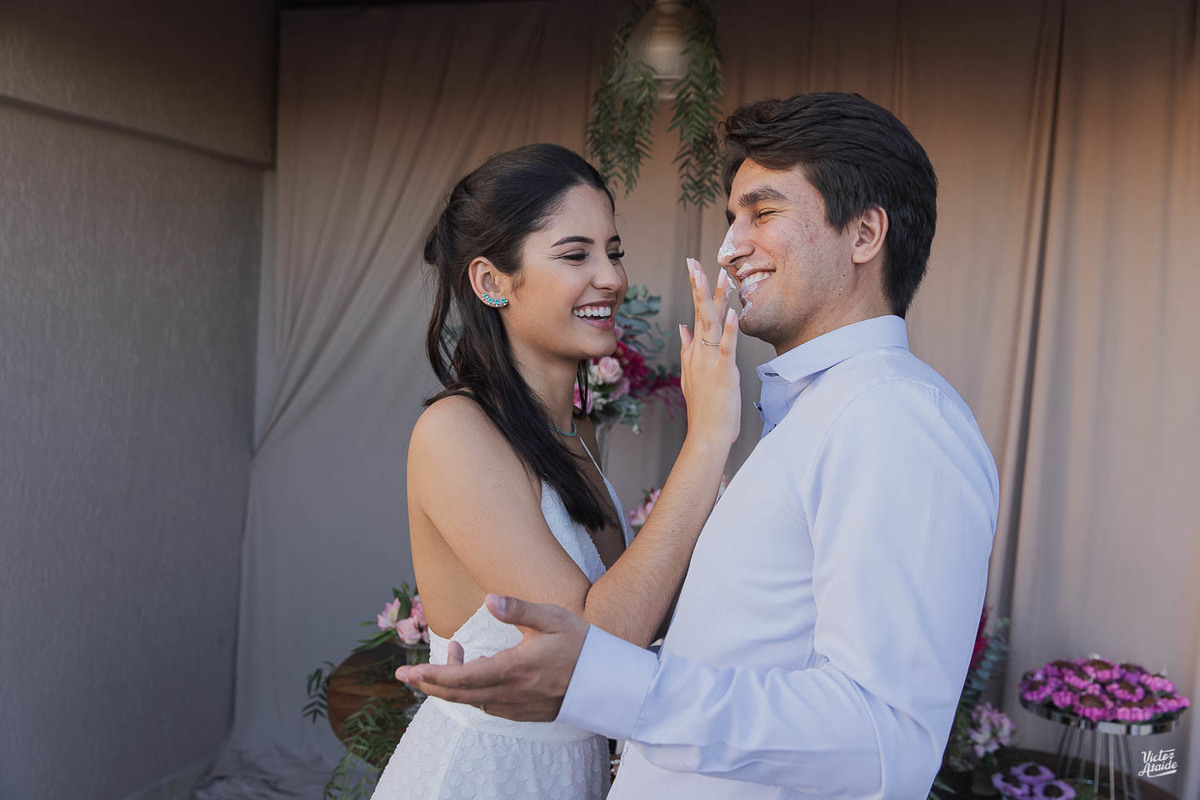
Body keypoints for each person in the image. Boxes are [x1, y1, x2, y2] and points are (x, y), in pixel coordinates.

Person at [394, 92, 1001, 799]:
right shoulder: (817, 416)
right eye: (575, 253)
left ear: (865, 234)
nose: (727, 248)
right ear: (491, 281)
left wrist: (638, 691)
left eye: (763, 213)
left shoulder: (895, 417)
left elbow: (880, 737)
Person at [371, 143, 741, 799]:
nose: (611, 277)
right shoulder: (457, 432)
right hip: (482, 777)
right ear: (491, 282)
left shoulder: (573, 429)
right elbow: (594, 648)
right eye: (576, 255)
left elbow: (637, 620)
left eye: (614, 251)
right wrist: (706, 440)